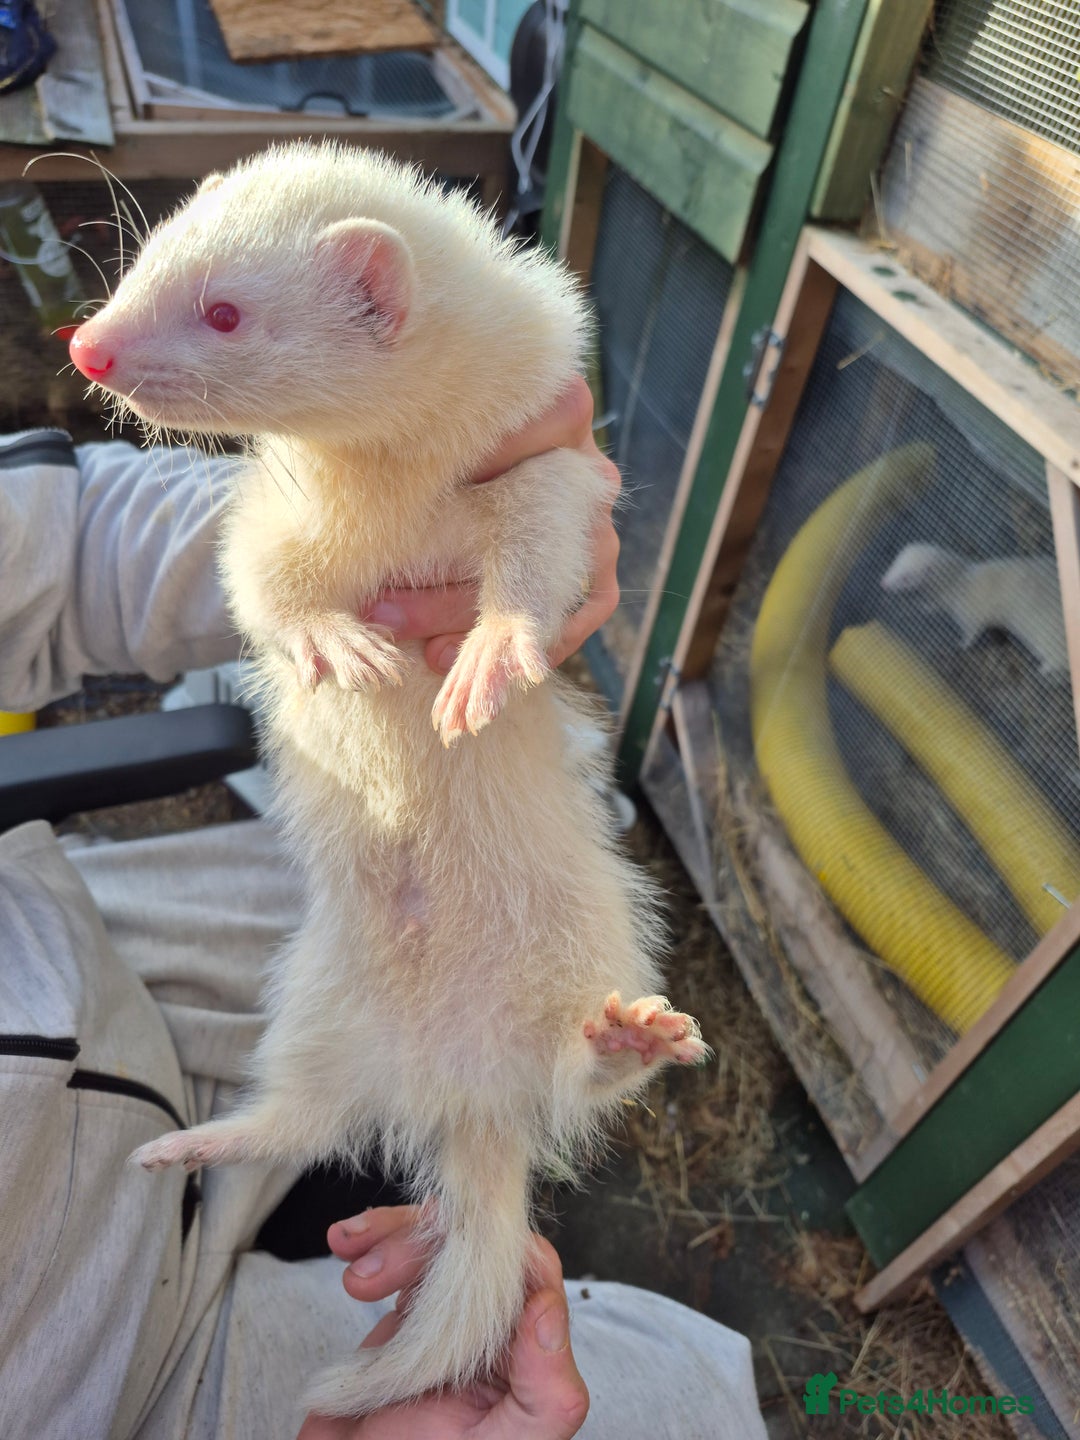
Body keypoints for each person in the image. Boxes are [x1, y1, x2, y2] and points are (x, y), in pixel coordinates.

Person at [0, 382, 769, 1440]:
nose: (95, 355)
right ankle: (546, 1067)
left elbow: (75, 535)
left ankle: (563, 1060)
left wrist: (407, 536)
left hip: (86, 964)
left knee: (512, 895)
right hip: (139, 1384)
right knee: (679, 1395)